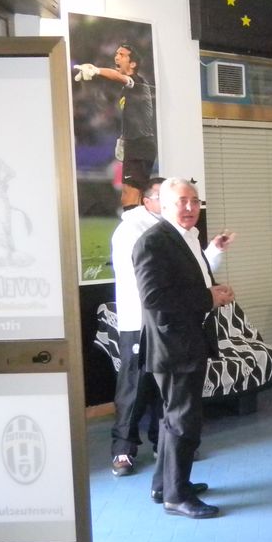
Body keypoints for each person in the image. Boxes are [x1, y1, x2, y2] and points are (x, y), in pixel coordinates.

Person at [110, 177, 235, 477]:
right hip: (143, 323)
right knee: (135, 388)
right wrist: (206, 297)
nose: (190, 207)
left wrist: (213, 254)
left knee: (171, 407)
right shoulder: (138, 233)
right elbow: (152, 290)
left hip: (181, 327)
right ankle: (123, 449)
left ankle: (164, 458)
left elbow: (194, 273)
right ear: (154, 202)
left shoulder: (185, 233)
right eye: (181, 201)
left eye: (195, 201)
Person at [73, 42, 156, 208]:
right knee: (127, 195)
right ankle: (135, 220)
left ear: (133, 64)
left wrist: (96, 70)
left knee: (132, 195)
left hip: (140, 144)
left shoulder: (137, 82)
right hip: (133, 144)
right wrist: (124, 139)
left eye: (122, 55)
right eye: (117, 54)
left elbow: (119, 77)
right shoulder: (127, 90)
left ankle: (137, 223)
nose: (117, 57)